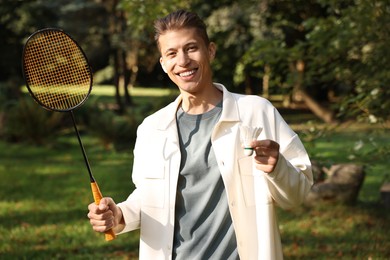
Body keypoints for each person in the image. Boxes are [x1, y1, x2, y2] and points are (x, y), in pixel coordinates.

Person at [87, 9, 313, 260]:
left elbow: (298, 194)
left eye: (191, 48)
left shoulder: (256, 112)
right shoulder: (152, 128)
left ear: (211, 51)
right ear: (163, 63)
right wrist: (118, 215)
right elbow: (149, 198)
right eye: (171, 53)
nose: (182, 61)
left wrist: (277, 166)